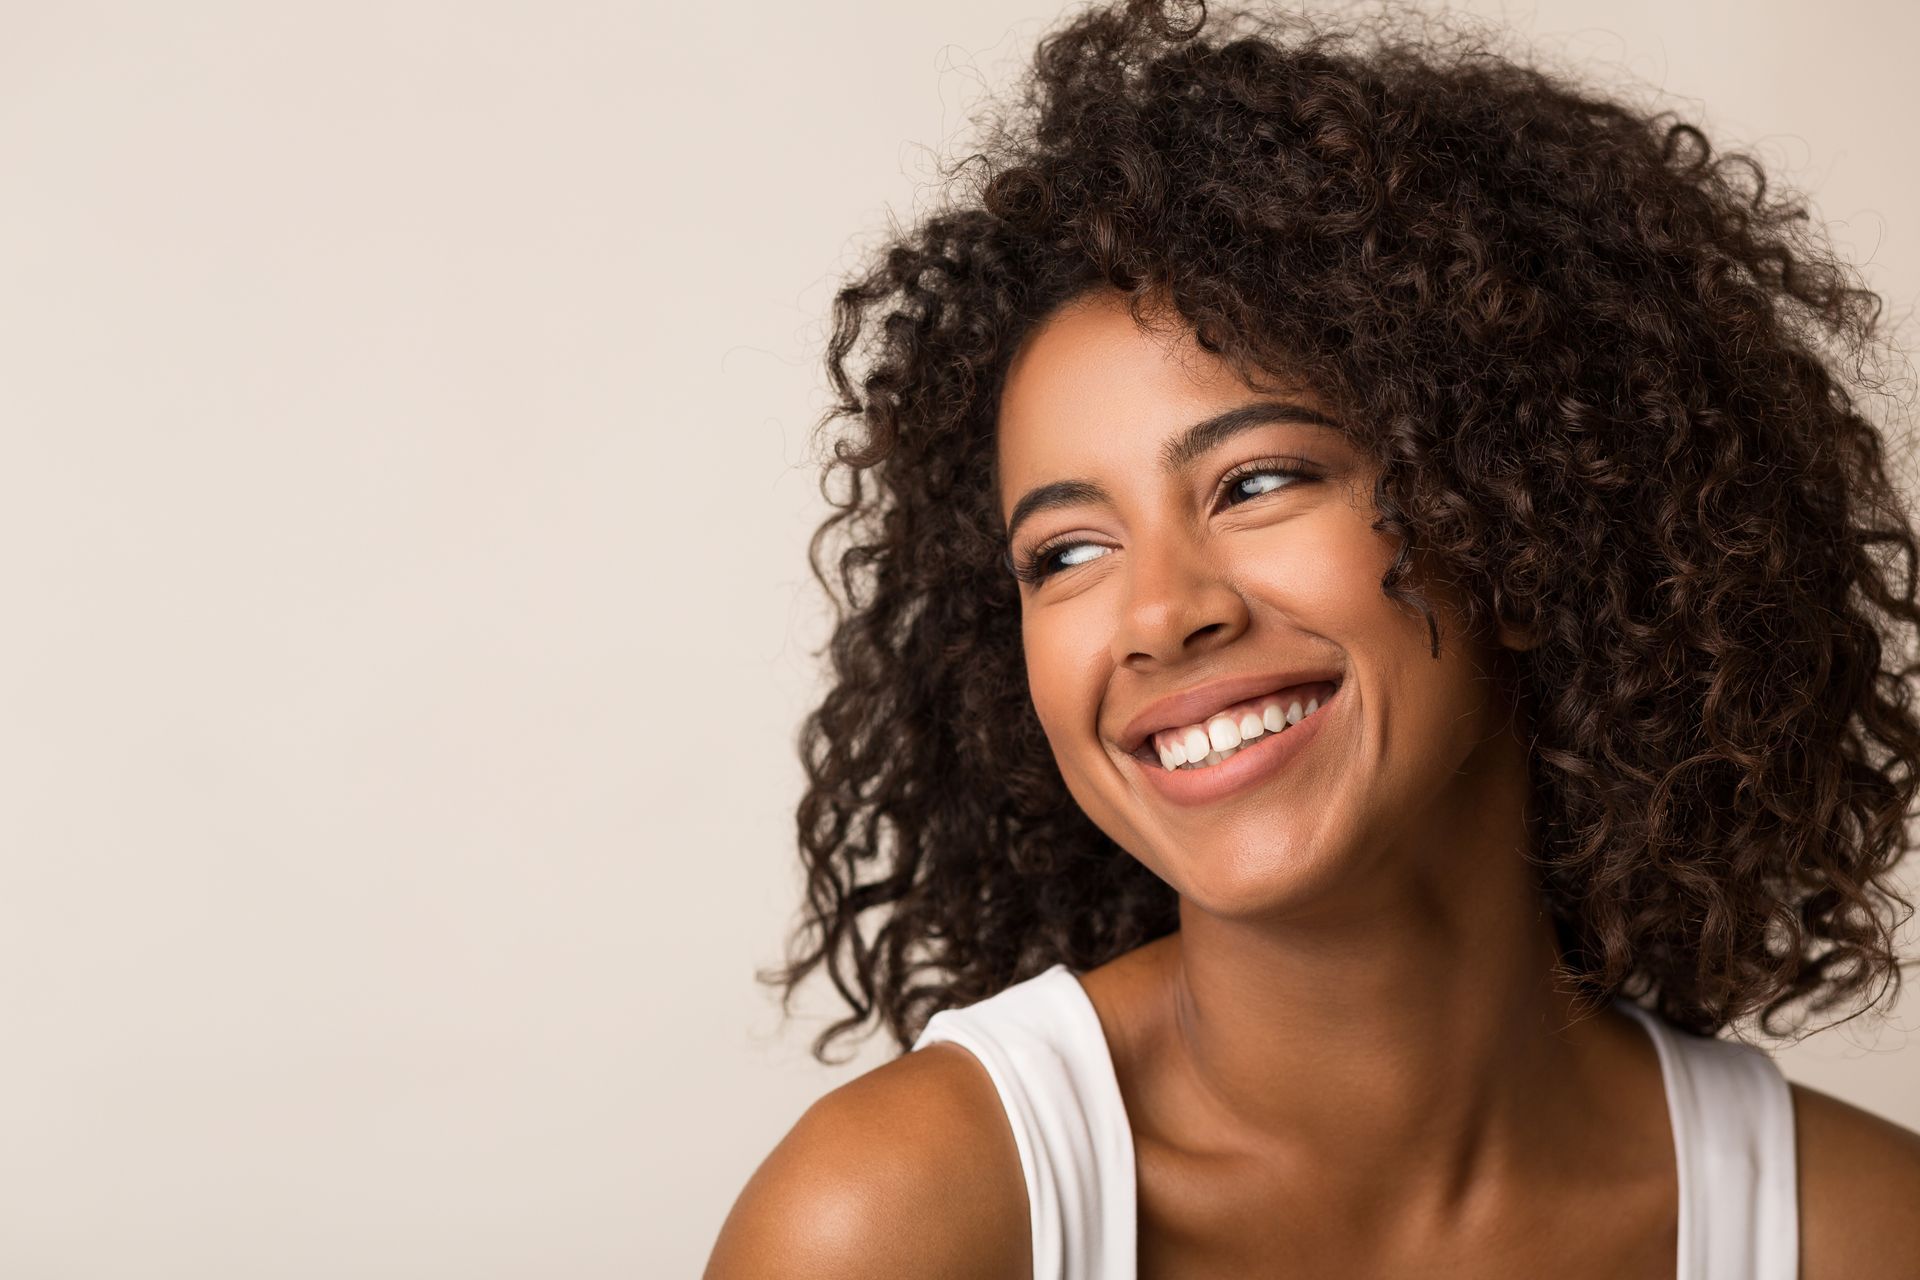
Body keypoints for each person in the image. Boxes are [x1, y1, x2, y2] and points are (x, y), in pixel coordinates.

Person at [706, 1, 1920, 1274]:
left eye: (1257, 481)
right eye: (1066, 554)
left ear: (1522, 517)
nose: (1164, 612)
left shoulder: (1858, 1231)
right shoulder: (902, 1218)